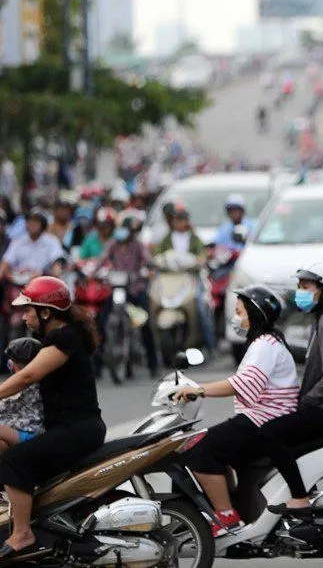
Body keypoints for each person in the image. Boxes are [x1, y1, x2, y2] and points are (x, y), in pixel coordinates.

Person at [175, 284, 298, 535]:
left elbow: (243, 383)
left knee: (198, 448)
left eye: (240, 312)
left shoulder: (265, 344)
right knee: (215, 445)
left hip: (264, 421)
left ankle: (226, 516)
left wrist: (198, 390)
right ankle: (233, 507)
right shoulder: (263, 343)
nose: (236, 317)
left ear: (255, 315)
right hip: (260, 417)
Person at [0, 277, 106, 557]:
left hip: (76, 430)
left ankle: (22, 534)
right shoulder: (58, 337)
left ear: (45, 312)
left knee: (14, 460)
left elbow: (28, 376)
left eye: (28, 310)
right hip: (72, 427)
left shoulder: (64, 339)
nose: (23, 316)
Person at [260, 261, 323, 514]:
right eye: (298, 286)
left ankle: (300, 497)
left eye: (305, 286)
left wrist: (306, 401)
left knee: (269, 434)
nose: (299, 291)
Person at [97, 216, 158, 378]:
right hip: (116, 289)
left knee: (145, 324)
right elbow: (101, 261)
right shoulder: (112, 244)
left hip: (135, 289)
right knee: (101, 321)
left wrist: (149, 270)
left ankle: (153, 364)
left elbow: (148, 261)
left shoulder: (138, 246)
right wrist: (94, 272)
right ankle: (96, 366)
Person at [154, 205, 215, 351]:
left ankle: (211, 345)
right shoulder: (166, 238)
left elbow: (203, 253)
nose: (180, 223)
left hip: (191, 279)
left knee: (201, 309)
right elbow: (156, 254)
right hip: (170, 279)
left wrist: (201, 259)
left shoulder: (194, 238)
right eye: (177, 219)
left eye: (183, 219)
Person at [0, 338, 44, 453]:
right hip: (23, 434)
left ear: (11, 364)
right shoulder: (41, 381)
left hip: (28, 435)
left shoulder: (22, 383)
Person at [0, 209, 64, 282]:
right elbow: (7, 261)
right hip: (19, 281)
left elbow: (57, 263)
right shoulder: (18, 241)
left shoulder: (52, 241)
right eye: (30, 221)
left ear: (43, 224)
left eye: (36, 221)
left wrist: (55, 278)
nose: (32, 224)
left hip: (43, 280)